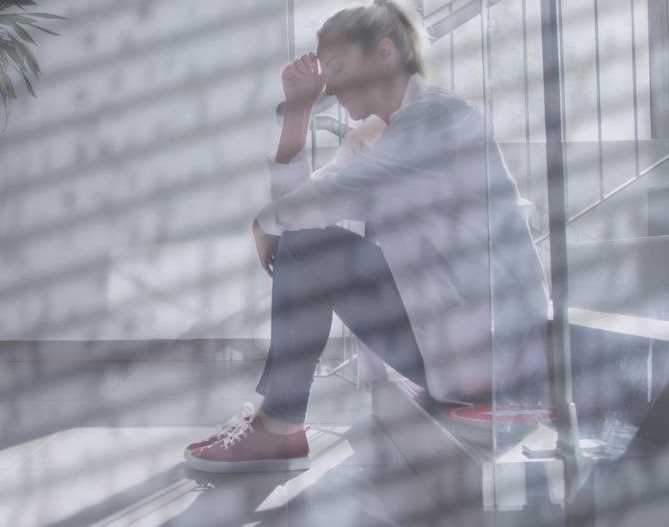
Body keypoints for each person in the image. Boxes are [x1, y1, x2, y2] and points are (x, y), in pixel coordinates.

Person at [184, 0, 551, 474]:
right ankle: (279, 423)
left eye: (336, 67)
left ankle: (279, 424)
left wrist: (264, 222)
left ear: (384, 53)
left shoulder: (440, 118)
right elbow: (303, 213)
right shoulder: (374, 139)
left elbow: (322, 207)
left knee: (306, 242)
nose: (329, 86)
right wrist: (298, 113)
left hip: (494, 349)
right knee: (304, 242)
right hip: (445, 340)